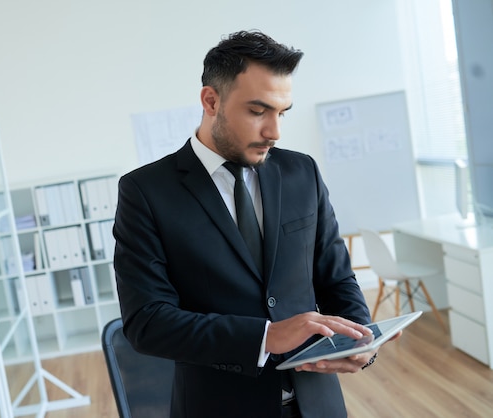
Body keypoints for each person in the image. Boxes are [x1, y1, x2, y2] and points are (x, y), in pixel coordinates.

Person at [113, 30, 390, 418]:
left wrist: (361, 340)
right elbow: (148, 322)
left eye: (282, 113)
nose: (274, 131)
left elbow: (336, 279)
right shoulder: (145, 192)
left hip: (319, 405)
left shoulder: (302, 172)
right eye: (258, 111)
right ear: (211, 101)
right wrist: (265, 337)